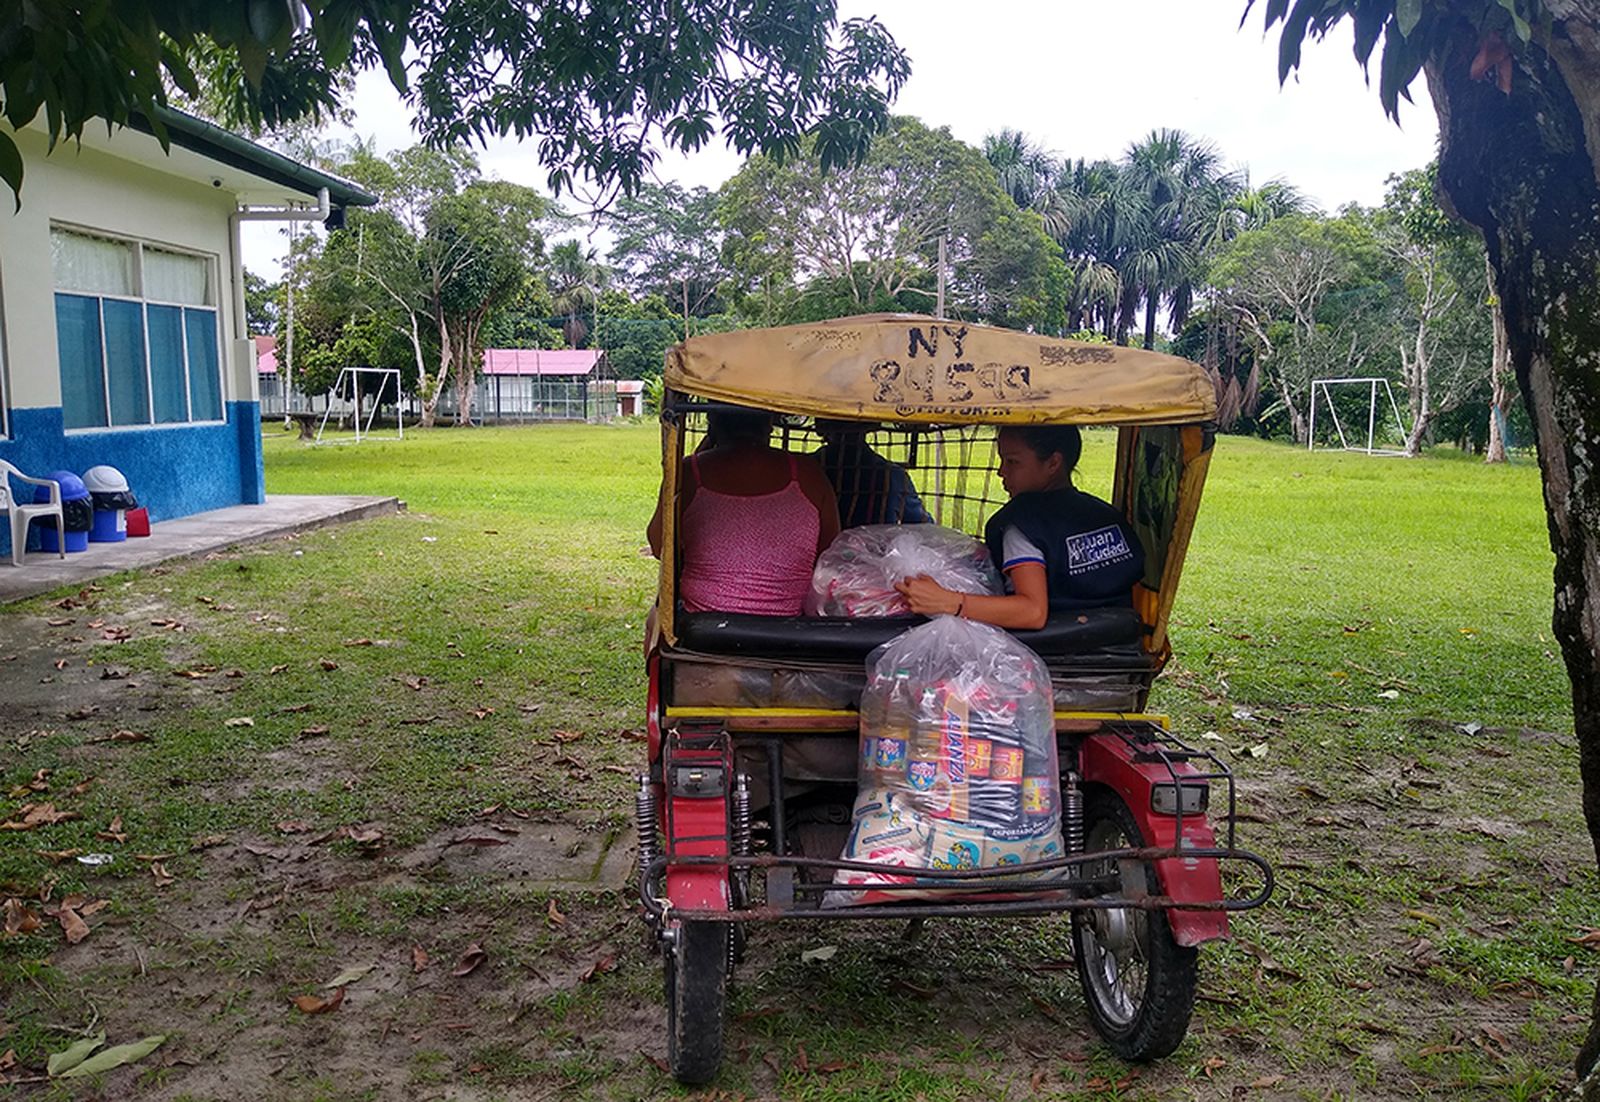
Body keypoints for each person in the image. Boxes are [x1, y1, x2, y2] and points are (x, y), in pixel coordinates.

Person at [894, 425, 1143, 630]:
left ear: (1053, 463)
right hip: (1120, 642)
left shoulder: (1021, 526)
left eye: (1012, 462)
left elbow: (1032, 612)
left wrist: (948, 602)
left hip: (1057, 652)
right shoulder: (1108, 515)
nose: (1001, 472)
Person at [648, 407, 841, 616]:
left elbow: (660, 546)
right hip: (788, 620)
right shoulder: (809, 473)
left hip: (703, 619)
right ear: (770, 423)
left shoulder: (689, 473)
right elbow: (830, 552)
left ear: (712, 421)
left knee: (653, 619)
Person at [812, 419, 931, 528]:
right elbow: (922, 526)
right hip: (872, 550)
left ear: (820, 428)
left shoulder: (806, 470)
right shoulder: (893, 476)